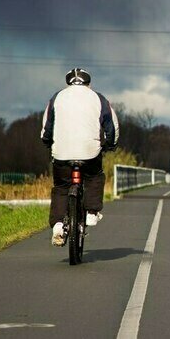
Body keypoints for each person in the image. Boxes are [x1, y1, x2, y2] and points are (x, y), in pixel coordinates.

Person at [41, 68, 119, 246]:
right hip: (89, 151)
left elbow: (47, 126)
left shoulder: (57, 98)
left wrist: (48, 142)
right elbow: (112, 125)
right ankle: (91, 212)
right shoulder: (98, 98)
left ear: (68, 83)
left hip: (62, 153)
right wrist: (110, 144)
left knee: (61, 187)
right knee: (94, 176)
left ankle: (59, 225)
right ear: (88, 83)